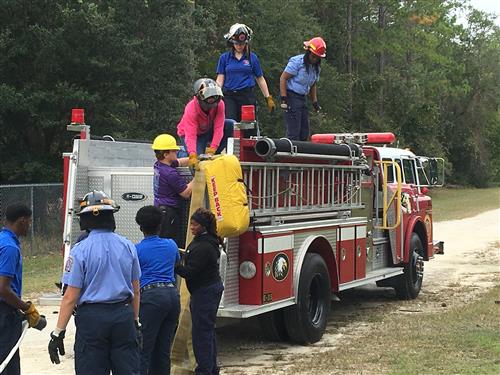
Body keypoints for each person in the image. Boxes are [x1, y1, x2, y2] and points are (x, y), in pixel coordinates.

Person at [48, 191, 142, 375]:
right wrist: (135, 322)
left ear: (85, 220)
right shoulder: (128, 246)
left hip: (92, 320)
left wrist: (58, 332)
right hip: (123, 316)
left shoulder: (79, 251)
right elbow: (136, 291)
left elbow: (70, 297)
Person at [175, 208, 224, 375]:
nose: (191, 227)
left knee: (201, 334)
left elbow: (190, 271)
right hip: (205, 290)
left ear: (204, 226)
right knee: (207, 331)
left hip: (206, 292)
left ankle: (204, 370)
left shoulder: (204, 246)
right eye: (191, 223)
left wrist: (174, 266)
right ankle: (211, 368)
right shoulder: (204, 240)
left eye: (195, 224)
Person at [135, 205, 181, 375]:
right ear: (160, 225)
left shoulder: (136, 250)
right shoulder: (171, 245)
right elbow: (176, 264)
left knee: (143, 348)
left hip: (150, 297)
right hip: (172, 296)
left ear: (140, 227)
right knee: (162, 350)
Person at [0, 203, 45, 375]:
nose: (29, 225)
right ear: (22, 221)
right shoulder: (10, 248)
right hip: (4, 314)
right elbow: (3, 289)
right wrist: (26, 308)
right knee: (7, 363)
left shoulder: (2, 240)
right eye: (29, 222)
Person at [216, 23, 276, 136]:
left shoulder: (252, 58)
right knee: (230, 125)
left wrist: (268, 98)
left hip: (246, 96)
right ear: (232, 42)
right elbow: (220, 79)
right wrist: (216, 95)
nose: (239, 46)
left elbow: (260, 78)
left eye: (242, 44)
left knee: (249, 127)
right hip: (229, 97)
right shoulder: (224, 58)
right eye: (237, 43)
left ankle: (250, 151)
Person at [279, 36, 327, 141]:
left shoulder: (316, 68)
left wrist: (315, 102)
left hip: (302, 98)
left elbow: (313, 84)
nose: (314, 59)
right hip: (291, 96)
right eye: (313, 56)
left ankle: (301, 155)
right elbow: (283, 78)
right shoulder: (297, 62)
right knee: (294, 132)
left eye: (317, 57)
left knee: (304, 132)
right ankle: (290, 155)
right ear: (308, 52)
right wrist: (284, 98)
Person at [177, 78, 235, 162]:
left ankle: (214, 155)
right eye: (209, 97)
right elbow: (191, 135)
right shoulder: (191, 109)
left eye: (214, 96)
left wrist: (213, 149)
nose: (212, 100)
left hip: (207, 129)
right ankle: (179, 153)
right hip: (191, 134)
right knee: (198, 159)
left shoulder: (219, 104)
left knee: (231, 125)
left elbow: (219, 127)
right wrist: (192, 154)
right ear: (199, 97)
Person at [152, 133, 193, 246]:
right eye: (174, 151)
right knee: (171, 243)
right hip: (169, 213)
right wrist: (199, 175)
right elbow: (185, 193)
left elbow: (180, 162)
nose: (177, 152)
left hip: (161, 210)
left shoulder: (159, 165)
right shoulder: (170, 173)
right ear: (166, 154)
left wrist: (194, 159)